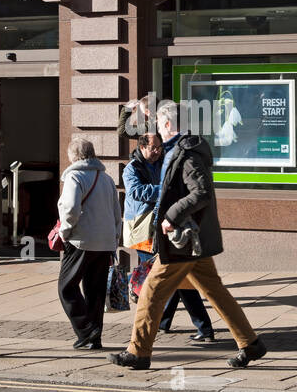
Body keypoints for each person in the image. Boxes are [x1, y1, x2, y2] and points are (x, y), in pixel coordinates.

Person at [108, 100, 267, 370]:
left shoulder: (187, 154)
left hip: (184, 240)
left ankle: (138, 352)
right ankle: (250, 343)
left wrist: (171, 217)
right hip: (192, 241)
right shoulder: (177, 150)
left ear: (168, 124)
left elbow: (201, 193)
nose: (156, 128)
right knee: (216, 292)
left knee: (151, 292)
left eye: (159, 123)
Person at [123, 131, 216, 343]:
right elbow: (138, 192)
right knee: (167, 278)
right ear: (142, 147)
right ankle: (169, 323)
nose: (158, 151)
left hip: (164, 227)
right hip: (144, 230)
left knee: (172, 278)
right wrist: (166, 190)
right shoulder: (131, 169)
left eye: (159, 147)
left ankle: (191, 326)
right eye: (153, 148)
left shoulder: (163, 162)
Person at [57, 137, 122, 350]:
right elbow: (116, 212)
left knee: (66, 287)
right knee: (95, 290)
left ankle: (86, 330)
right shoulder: (106, 178)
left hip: (81, 240)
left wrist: (65, 231)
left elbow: (70, 208)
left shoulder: (74, 176)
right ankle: (95, 338)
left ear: (74, 156)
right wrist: (114, 239)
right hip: (105, 242)